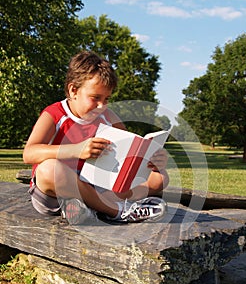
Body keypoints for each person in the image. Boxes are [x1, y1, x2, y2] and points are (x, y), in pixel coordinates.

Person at [23, 50, 169, 225]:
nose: (101, 106)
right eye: (95, 98)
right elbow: (29, 153)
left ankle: (88, 208)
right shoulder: (54, 114)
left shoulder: (108, 116)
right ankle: (115, 211)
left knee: (161, 178)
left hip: (95, 187)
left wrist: (153, 160)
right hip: (56, 193)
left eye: (107, 99)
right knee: (48, 169)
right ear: (73, 90)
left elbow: (131, 150)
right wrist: (76, 150)